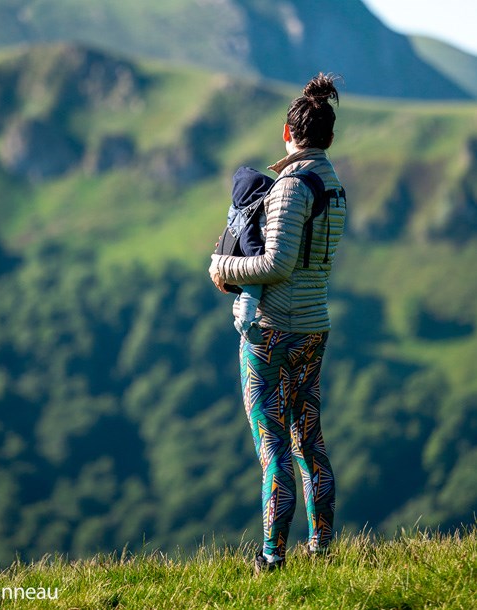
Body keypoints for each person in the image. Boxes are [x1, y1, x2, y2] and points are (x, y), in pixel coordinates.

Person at [209, 73, 346, 573]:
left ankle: (272, 558)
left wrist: (222, 267)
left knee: (272, 445)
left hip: (272, 330)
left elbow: (276, 265)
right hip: (314, 326)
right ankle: (322, 546)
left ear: (288, 132)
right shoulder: (334, 185)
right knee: (309, 436)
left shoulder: (291, 186)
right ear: (327, 137)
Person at [226, 166, 274, 344]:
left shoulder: (239, 214)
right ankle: (245, 323)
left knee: (248, 295)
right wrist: (260, 257)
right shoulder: (248, 217)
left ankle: (245, 318)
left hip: (244, 267)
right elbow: (248, 242)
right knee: (252, 291)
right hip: (251, 269)